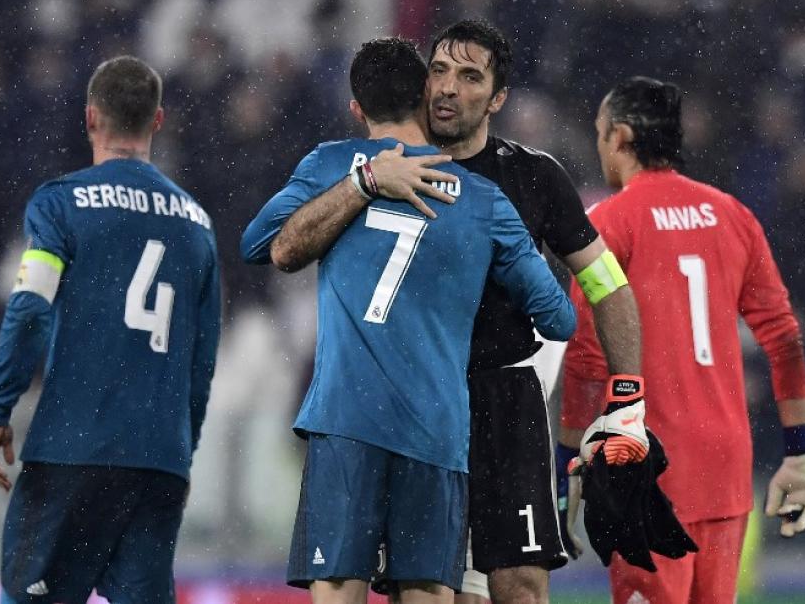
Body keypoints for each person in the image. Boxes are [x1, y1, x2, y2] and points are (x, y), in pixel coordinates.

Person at [240, 37, 577, 604]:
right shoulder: (485, 200)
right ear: (427, 94)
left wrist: (362, 183)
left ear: (356, 108)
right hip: (436, 430)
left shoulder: (330, 164)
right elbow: (560, 319)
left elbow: (258, 244)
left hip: (347, 420)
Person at [561, 76, 805, 604]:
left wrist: (569, 461)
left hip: (648, 470)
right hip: (725, 467)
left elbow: (587, 357)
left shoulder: (608, 224)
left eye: (600, 133)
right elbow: (784, 339)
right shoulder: (732, 214)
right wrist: (800, 451)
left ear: (619, 137)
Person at [0, 55, 221, 604]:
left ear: (90, 117)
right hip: (157, 460)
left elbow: (30, 308)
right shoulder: (198, 225)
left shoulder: (60, 203)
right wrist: (181, 452)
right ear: (157, 121)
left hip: (73, 448)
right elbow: (202, 359)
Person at [424, 20, 644, 604]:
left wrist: (628, 395)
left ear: (497, 98)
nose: (448, 87)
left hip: (505, 399)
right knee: (427, 590)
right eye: (439, 71)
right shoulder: (397, 166)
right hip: (420, 396)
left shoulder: (534, 176)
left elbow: (607, 285)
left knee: (521, 586)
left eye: (469, 76)